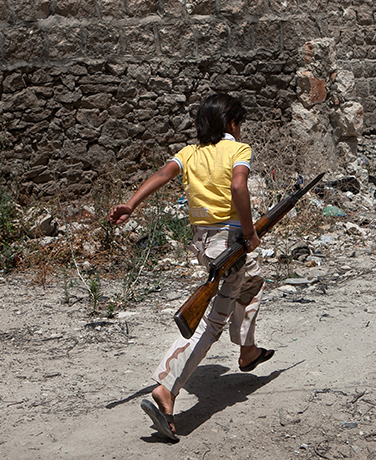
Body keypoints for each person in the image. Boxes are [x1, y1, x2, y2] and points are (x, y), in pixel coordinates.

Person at [108, 93, 275, 442]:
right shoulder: (238, 151)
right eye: (239, 123)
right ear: (232, 123)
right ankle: (167, 387)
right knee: (212, 321)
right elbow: (238, 185)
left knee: (253, 279)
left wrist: (130, 205)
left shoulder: (189, 153)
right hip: (230, 242)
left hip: (202, 243)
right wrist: (249, 233)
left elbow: (161, 175)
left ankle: (247, 349)